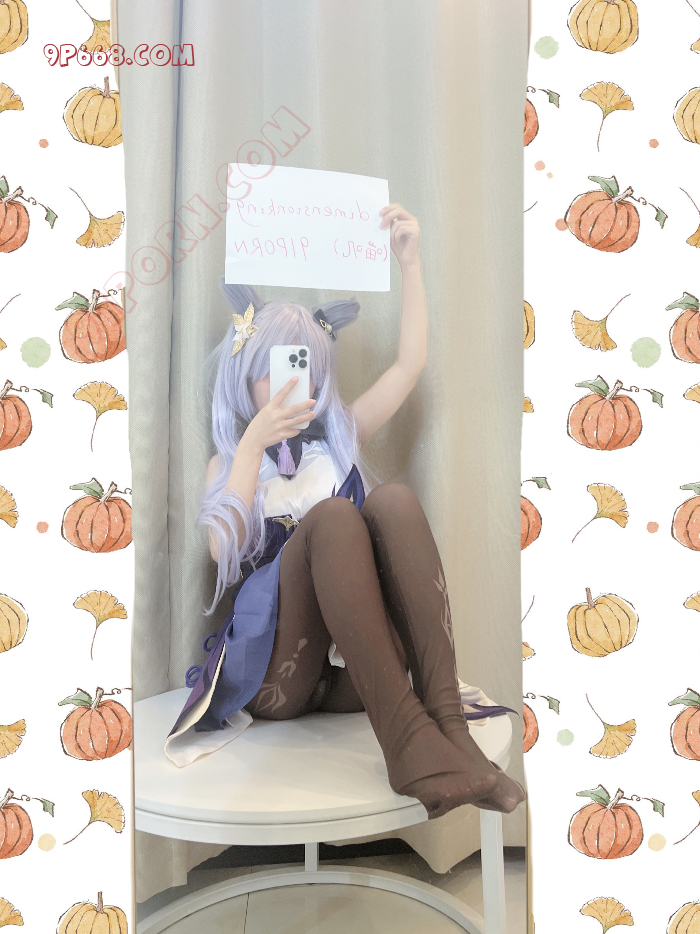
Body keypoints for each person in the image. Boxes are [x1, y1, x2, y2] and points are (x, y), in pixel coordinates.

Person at [168, 204, 525, 821]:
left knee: (393, 499)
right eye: (271, 371)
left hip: (352, 676)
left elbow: (408, 366)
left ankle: (448, 728)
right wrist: (252, 446)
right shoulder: (229, 461)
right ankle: (410, 747)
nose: (289, 385)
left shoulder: (337, 444)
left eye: (302, 369)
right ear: (244, 376)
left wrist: (410, 264)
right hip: (276, 677)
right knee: (333, 519)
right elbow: (222, 555)